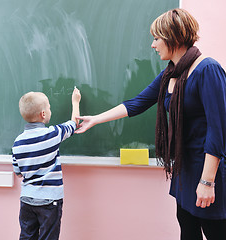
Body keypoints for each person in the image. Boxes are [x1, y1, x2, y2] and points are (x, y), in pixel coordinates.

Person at [75, 8, 226, 240]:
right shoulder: (171, 74)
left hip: (208, 172)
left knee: (216, 232)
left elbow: (218, 131)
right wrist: (95, 119)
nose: (153, 45)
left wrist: (207, 182)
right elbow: (137, 103)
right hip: (184, 169)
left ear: (173, 37)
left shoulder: (208, 70)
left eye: (156, 38)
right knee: (187, 231)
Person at [12, 87, 81, 240]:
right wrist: (75, 102)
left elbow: (18, 172)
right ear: (43, 114)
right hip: (49, 201)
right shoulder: (52, 134)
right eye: (49, 107)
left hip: (27, 200)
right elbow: (73, 123)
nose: (50, 110)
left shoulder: (18, 142)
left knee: (27, 236)